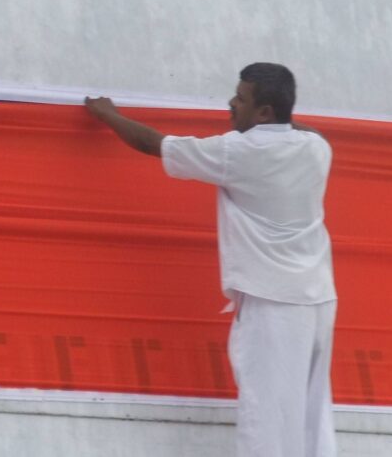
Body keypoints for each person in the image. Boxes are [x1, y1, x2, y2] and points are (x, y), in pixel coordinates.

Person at [85, 63, 336, 457]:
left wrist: (108, 115)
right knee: (311, 416)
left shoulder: (237, 152)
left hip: (273, 304)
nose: (230, 104)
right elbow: (307, 132)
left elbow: (157, 144)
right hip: (319, 300)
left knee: (266, 415)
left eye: (241, 98)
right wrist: (278, 119)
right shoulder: (317, 149)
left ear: (264, 112)